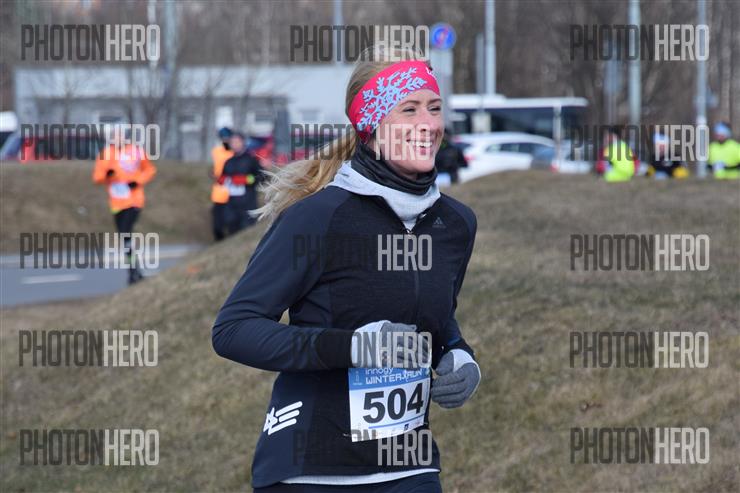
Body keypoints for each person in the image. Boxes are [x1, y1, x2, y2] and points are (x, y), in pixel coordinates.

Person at [212, 46, 481, 493]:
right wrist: (355, 347)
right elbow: (233, 330)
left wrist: (458, 355)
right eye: (409, 109)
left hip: (408, 467)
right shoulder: (319, 218)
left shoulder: (454, 225)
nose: (429, 124)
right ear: (371, 128)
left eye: (434, 108)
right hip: (312, 469)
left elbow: (428, 315)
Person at [92, 126, 156, 284]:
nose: (117, 139)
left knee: (126, 233)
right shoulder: (105, 154)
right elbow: (97, 177)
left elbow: (150, 170)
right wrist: (106, 175)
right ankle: (134, 270)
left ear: (125, 137)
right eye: (114, 136)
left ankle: (134, 271)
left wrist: (138, 181)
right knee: (124, 237)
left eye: (120, 136)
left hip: (134, 201)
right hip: (116, 203)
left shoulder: (136, 151)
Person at [219, 131, 264, 233]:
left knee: (247, 229)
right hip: (231, 204)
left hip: (248, 202)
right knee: (232, 229)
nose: (234, 144)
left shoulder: (251, 160)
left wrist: (246, 180)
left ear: (243, 142)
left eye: (237, 142)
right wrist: (222, 180)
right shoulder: (228, 162)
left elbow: (262, 177)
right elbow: (222, 178)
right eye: (232, 142)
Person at [210, 127, 234, 241]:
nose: (225, 140)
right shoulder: (216, 151)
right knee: (217, 225)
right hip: (219, 191)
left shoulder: (234, 152)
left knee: (231, 222)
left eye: (227, 137)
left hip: (233, 192)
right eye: (223, 137)